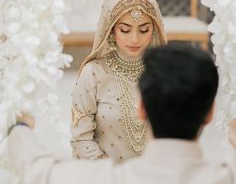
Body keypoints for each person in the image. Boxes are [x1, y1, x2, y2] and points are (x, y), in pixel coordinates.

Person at [9, 44, 236, 184]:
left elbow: (34, 168)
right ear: (210, 113)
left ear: (141, 108)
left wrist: (21, 128)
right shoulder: (226, 178)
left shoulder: (105, 179)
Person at [70, 0, 167, 162]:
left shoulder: (164, 72)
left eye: (144, 29)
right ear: (111, 29)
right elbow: (81, 139)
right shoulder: (93, 74)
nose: (135, 38)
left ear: (154, 29)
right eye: (125, 29)